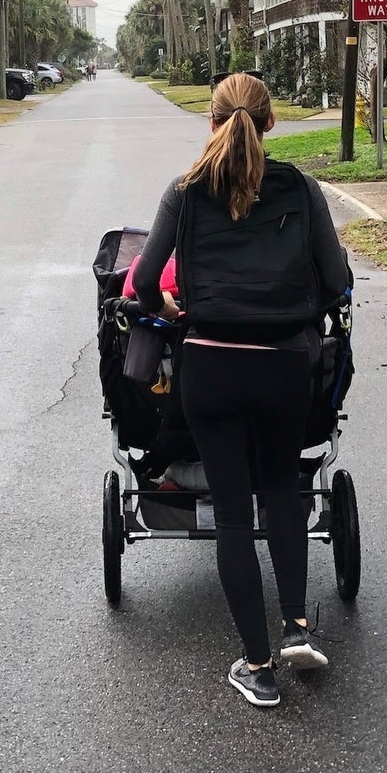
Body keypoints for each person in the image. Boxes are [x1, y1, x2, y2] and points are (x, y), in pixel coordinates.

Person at [134, 72, 351, 707]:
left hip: (211, 366)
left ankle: (257, 668)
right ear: (271, 123)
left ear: (211, 122)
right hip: (284, 366)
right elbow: (336, 279)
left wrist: (175, 311)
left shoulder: (185, 192)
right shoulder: (300, 188)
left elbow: (146, 281)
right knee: (282, 491)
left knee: (232, 513)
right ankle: (297, 628)